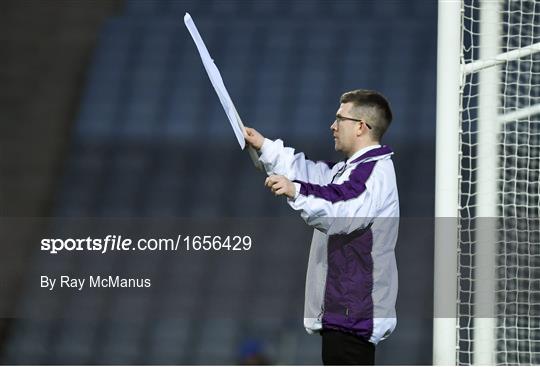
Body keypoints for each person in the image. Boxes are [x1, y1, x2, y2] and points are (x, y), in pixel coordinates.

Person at [244, 90, 399, 365]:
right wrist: (265, 146)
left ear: (361, 126)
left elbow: (342, 208)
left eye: (340, 118)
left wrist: (296, 191)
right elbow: (312, 174)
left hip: (354, 316)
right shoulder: (351, 170)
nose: (333, 125)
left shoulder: (373, 171)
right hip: (346, 316)